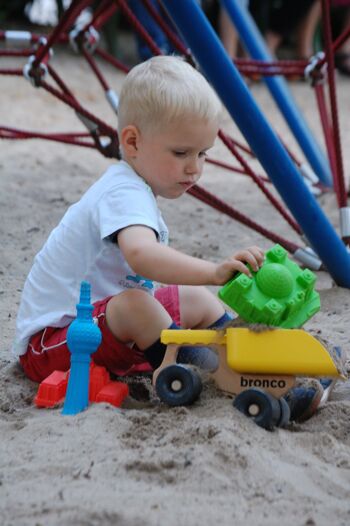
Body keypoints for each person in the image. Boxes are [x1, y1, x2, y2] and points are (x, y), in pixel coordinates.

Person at [13, 55, 265, 384]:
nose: (195, 168)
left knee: (195, 298)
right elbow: (142, 256)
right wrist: (214, 271)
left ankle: (243, 356)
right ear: (133, 142)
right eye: (181, 153)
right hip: (54, 345)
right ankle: (219, 374)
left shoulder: (137, 189)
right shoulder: (122, 192)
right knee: (136, 306)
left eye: (203, 153)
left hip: (107, 326)